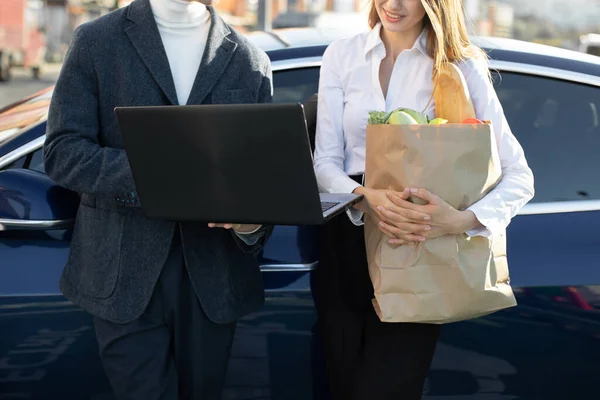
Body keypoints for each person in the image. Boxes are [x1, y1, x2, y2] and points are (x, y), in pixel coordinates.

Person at [43, 0, 273, 399]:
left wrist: (250, 222)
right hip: (122, 274)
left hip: (214, 277)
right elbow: (62, 151)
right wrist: (159, 173)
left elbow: (266, 176)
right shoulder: (96, 41)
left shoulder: (250, 58)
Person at [312, 0, 535, 399]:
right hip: (344, 244)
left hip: (418, 246)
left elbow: (519, 176)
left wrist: (461, 221)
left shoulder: (459, 66)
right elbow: (325, 162)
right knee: (339, 386)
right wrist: (366, 198)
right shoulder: (341, 56)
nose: (392, 5)